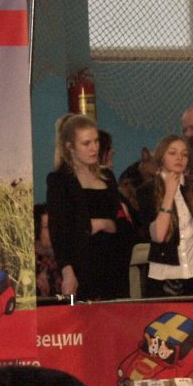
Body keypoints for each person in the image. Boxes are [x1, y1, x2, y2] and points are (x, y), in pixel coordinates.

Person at [46, 113, 132, 300]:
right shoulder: (59, 181)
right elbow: (60, 231)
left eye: (96, 141)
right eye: (86, 144)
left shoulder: (107, 177)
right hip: (82, 264)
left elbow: (123, 223)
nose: (94, 148)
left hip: (114, 263)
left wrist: (102, 224)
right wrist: (67, 271)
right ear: (70, 147)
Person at [145, 134, 193, 297]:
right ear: (161, 156)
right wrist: (169, 192)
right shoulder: (146, 191)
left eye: (184, 154)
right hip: (166, 274)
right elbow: (159, 235)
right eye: (173, 153)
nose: (179, 158)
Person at [34, 203, 62, 297]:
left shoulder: (65, 259)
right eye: (47, 227)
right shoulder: (27, 263)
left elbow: (72, 301)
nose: (53, 231)